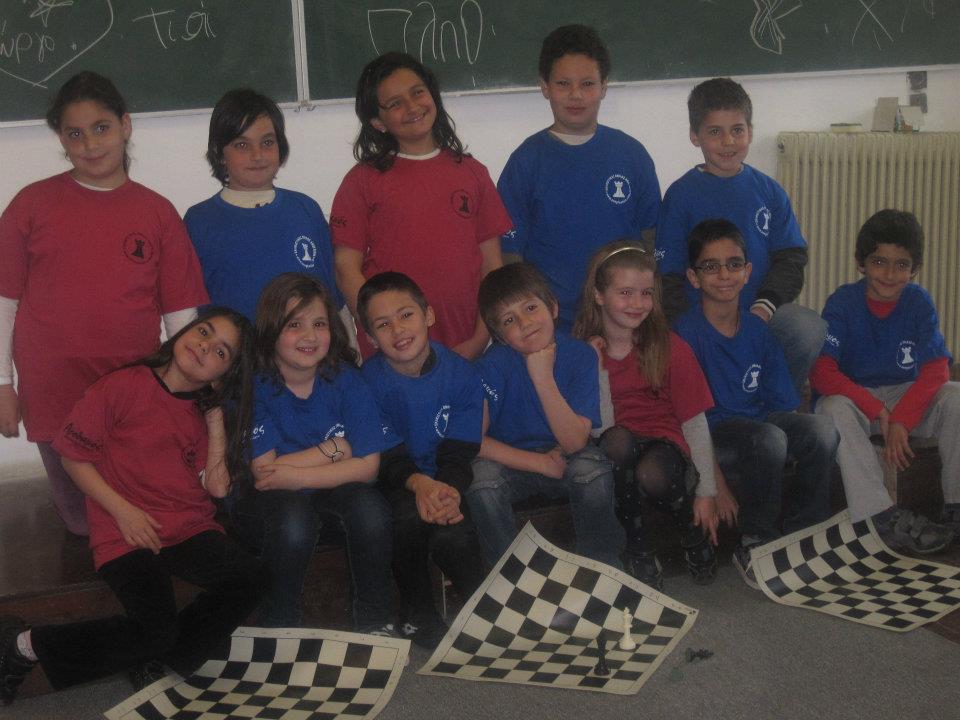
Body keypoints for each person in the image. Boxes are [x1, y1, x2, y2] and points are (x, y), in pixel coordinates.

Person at [0, 308, 263, 707]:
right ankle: (23, 645)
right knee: (155, 628)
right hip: (124, 529)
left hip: (187, 527)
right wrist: (123, 511)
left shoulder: (203, 411)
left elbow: (217, 487)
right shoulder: (123, 385)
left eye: (221, 352)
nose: (205, 346)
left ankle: (168, 656)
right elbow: (72, 456)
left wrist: (215, 424)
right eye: (204, 331)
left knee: (252, 576)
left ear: (222, 376)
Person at [0, 71, 208, 536]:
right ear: (61, 139)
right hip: (52, 388)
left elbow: (180, 315)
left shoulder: (157, 212)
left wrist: (185, 390)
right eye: (75, 134)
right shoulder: (31, 204)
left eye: (101, 128)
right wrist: (2, 384)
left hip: (129, 388)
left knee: (142, 511)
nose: (91, 144)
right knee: (83, 524)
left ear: (125, 125)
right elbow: (4, 301)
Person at [675, 220, 840, 587]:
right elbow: (686, 422)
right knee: (769, 438)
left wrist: (800, 436)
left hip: (758, 424)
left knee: (822, 429)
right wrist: (716, 484)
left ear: (748, 272)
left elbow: (782, 402)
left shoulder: (757, 330)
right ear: (693, 277)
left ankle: (805, 531)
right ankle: (756, 540)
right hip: (712, 436)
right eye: (711, 266)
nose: (724, 275)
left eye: (733, 264)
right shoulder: (685, 335)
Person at [231, 273, 398, 632]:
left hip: (323, 492)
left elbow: (368, 468)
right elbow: (266, 474)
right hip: (264, 504)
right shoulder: (255, 386)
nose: (309, 336)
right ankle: (278, 626)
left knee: (371, 508)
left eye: (319, 324)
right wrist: (336, 448)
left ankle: (376, 621)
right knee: (295, 519)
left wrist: (297, 474)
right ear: (271, 330)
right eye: (294, 325)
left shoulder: (346, 379)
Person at [331, 51, 512, 360]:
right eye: (395, 103)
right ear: (377, 122)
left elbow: (492, 266)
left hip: (467, 346)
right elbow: (345, 269)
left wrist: (480, 338)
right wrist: (383, 333)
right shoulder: (362, 180)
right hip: (393, 355)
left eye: (418, 92)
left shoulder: (473, 173)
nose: (412, 106)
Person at [655, 77, 825, 391]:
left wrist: (763, 309)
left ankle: (773, 402)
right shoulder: (680, 195)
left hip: (759, 316)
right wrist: (693, 328)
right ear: (695, 136)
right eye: (714, 132)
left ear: (750, 131)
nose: (728, 142)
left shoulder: (770, 192)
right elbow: (669, 275)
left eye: (737, 130)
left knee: (807, 327)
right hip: (701, 323)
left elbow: (791, 260)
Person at [573, 241, 722, 590]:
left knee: (651, 471)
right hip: (615, 443)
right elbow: (599, 428)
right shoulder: (581, 351)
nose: (637, 303)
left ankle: (691, 531)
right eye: (625, 292)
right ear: (598, 295)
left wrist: (707, 492)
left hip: (665, 445)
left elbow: (695, 423)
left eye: (646, 293)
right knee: (617, 441)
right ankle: (638, 546)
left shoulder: (669, 346)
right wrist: (597, 369)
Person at [811, 210, 958, 553]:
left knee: (955, 396)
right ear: (861, 263)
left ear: (914, 268)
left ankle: (955, 508)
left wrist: (902, 420)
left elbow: (937, 369)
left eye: (901, 265)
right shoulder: (842, 302)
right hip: (857, 399)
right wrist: (878, 410)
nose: (890, 275)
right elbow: (821, 372)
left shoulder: (918, 302)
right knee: (831, 409)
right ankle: (880, 516)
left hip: (904, 394)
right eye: (879, 262)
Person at [497, 24, 660, 331]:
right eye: (563, 83)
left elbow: (651, 242)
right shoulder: (526, 162)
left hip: (622, 322)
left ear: (604, 87)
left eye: (587, 83)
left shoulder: (632, 155)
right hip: (553, 325)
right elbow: (510, 253)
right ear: (545, 87)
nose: (576, 95)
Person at [466, 263, 624, 569]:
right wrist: (538, 462)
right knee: (481, 481)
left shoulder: (580, 355)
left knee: (592, 471)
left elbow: (575, 442)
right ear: (500, 336)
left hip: (566, 452)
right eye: (509, 320)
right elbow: (473, 440)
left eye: (530, 307)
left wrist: (542, 377)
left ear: (552, 307)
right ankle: (508, 575)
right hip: (510, 459)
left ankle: (601, 569)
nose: (525, 323)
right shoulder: (491, 365)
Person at [357, 272, 485, 648]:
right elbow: (386, 457)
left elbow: (461, 451)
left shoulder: (462, 374)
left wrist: (448, 490)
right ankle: (416, 612)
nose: (398, 329)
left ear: (428, 315)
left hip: (443, 477)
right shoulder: (365, 384)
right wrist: (421, 485)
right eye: (383, 324)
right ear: (370, 337)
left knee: (456, 530)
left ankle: (478, 608)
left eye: (406, 315)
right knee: (408, 515)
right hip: (391, 480)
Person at [184, 88, 343, 323]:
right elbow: (188, 309)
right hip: (238, 347)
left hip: (306, 345)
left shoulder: (305, 210)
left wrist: (348, 344)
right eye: (242, 145)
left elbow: (334, 302)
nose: (257, 155)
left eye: (267, 142)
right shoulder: (199, 221)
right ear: (219, 153)